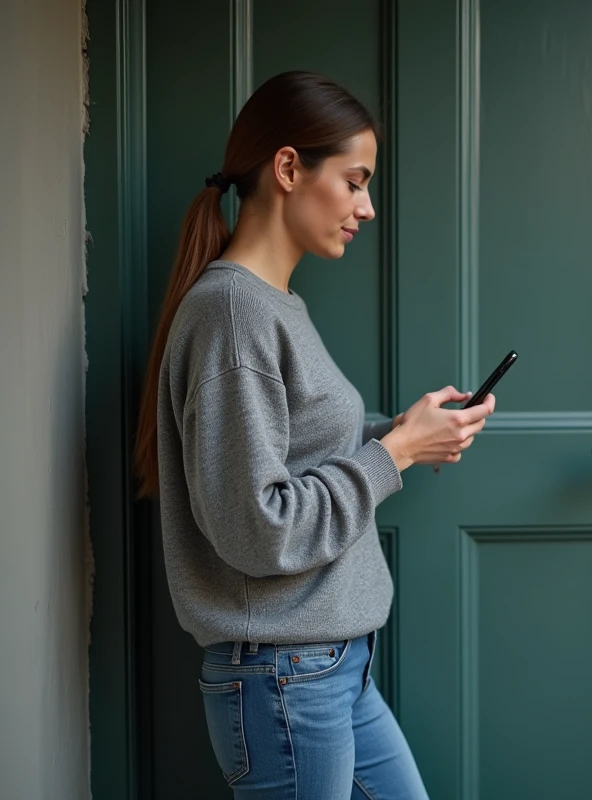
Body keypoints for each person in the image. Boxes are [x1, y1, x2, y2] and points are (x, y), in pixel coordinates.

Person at [133, 70, 494, 799]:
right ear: (289, 168)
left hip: (327, 668)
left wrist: (402, 431)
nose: (366, 206)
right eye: (355, 181)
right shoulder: (233, 315)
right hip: (285, 679)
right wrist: (391, 454)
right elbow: (258, 527)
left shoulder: (270, 306)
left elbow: (288, 443)